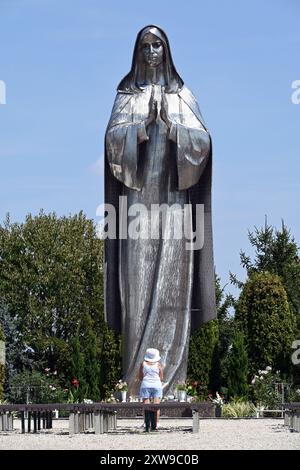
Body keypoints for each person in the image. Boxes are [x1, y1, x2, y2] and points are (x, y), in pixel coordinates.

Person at [105, 25, 216, 395]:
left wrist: (172, 130)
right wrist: (139, 129)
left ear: (167, 50)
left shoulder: (182, 94)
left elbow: (203, 142)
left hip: (174, 204)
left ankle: (174, 380)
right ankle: (134, 381)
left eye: (158, 45)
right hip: (137, 206)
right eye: (145, 46)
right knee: (135, 287)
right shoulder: (127, 94)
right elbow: (112, 142)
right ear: (137, 52)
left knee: (172, 286)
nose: (152, 52)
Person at [139, 348, 163, 432]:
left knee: (146, 404)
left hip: (145, 384)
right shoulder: (158, 365)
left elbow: (140, 377)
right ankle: (156, 423)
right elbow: (161, 377)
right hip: (156, 384)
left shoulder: (143, 364)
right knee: (157, 405)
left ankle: (146, 423)